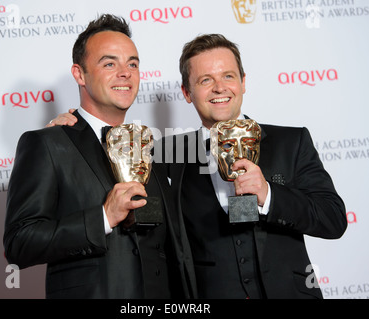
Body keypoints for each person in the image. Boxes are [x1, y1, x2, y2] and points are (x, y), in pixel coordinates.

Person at [50, 33, 348, 299]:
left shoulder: (290, 141)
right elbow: (110, 156)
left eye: (228, 76)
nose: (220, 88)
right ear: (187, 92)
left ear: (243, 82)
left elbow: (333, 219)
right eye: (205, 80)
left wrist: (269, 195)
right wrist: (71, 130)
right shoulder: (165, 153)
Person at [3, 14, 196, 299]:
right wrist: (103, 217)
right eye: (109, 63)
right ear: (80, 74)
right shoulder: (47, 144)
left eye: (132, 64)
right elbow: (20, 244)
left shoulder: (150, 148)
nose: (125, 72)